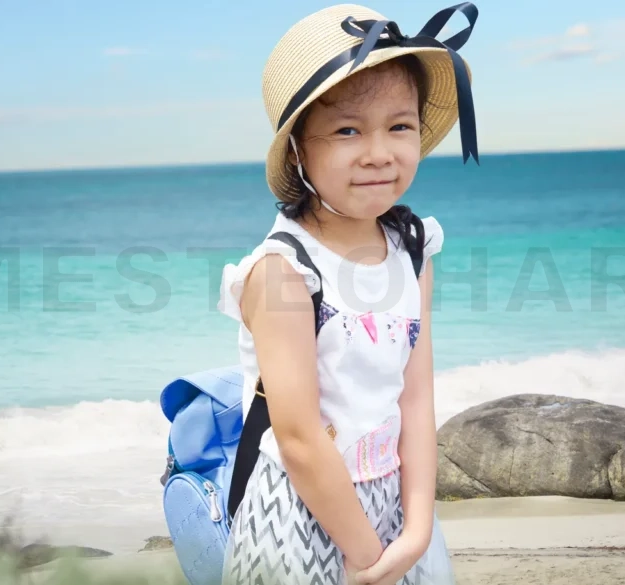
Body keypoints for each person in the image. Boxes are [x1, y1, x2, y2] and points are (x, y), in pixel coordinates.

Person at [216, 3, 479, 584]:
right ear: (298, 152)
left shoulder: (413, 250)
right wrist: (368, 558)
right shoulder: (282, 271)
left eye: (400, 126)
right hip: (302, 517)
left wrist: (413, 536)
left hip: (396, 512)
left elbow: (415, 399)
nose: (380, 152)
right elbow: (301, 440)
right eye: (347, 130)